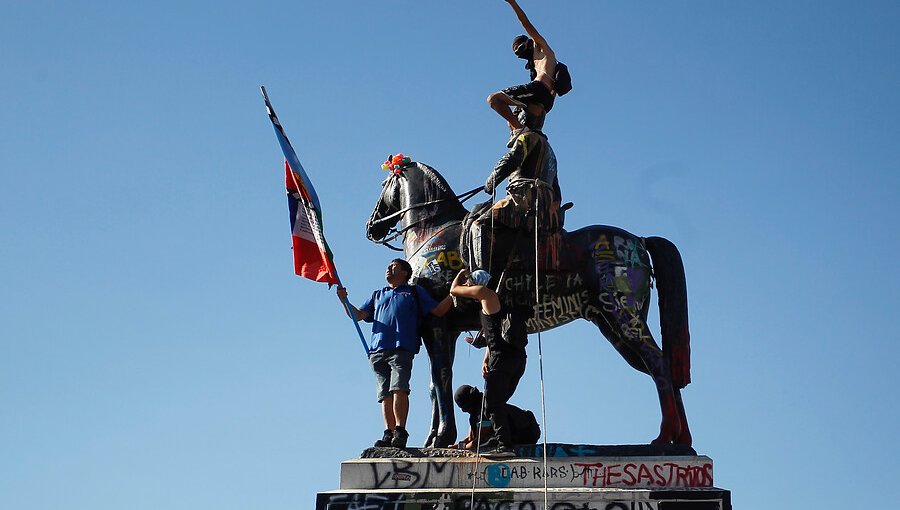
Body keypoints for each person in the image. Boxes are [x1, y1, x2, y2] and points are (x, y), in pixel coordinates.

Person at [337, 258, 452, 448]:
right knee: (384, 394)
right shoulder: (378, 294)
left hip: (401, 347)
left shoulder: (413, 291)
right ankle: (388, 432)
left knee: (399, 387)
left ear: (405, 272)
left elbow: (438, 310)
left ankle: (400, 430)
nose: (389, 269)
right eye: (388, 266)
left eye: (393, 266)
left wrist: (453, 294)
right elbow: (358, 316)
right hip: (378, 349)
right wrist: (344, 300)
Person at [449, 268, 528, 456]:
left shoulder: (485, 294)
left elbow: (454, 290)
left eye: (471, 284)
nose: (468, 288)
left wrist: (462, 272)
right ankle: (494, 438)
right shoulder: (498, 303)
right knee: (495, 404)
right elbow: (496, 336)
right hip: (517, 359)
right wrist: (486, 359)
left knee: (492, 404)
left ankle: (505, 446)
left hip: (501, 361)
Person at [467, 125, 560, 271]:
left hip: (523, 199)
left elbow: (511, 160)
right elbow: (557, 191)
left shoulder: (527, 137)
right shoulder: (551, 152)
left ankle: (480, 279)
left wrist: (491, 181)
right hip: (545, 209)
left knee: (479, 225)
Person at [488, 0, 558, 146]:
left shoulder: (542, 49)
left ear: (528, 43)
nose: (519, 53)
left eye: (519, 49)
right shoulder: (535, 66)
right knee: (511, 119)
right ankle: (527, 134)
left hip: (539, 89)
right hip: (544, 99)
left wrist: (512, 3)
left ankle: (520, 130)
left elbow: (525, 23)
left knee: (494, 99)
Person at [453, 384, 540, 451]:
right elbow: (471, 439)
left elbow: (479, 441)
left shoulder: (486, 408)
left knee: (491, 442)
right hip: (519, 429)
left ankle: (505, 446)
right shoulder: (476, 413)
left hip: (526, 432)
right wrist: (456, 447)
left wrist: (460, 449)